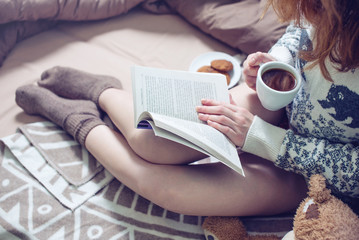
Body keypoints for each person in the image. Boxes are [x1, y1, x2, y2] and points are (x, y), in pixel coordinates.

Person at [15, 0, 358, 216]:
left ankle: (77, 119)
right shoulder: (323, 14)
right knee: (152, 138)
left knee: (168, 188)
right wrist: (275, 62)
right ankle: (102, 90)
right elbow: (299, 34)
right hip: (279, 106)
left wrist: (262, 139)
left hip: (314, 178)